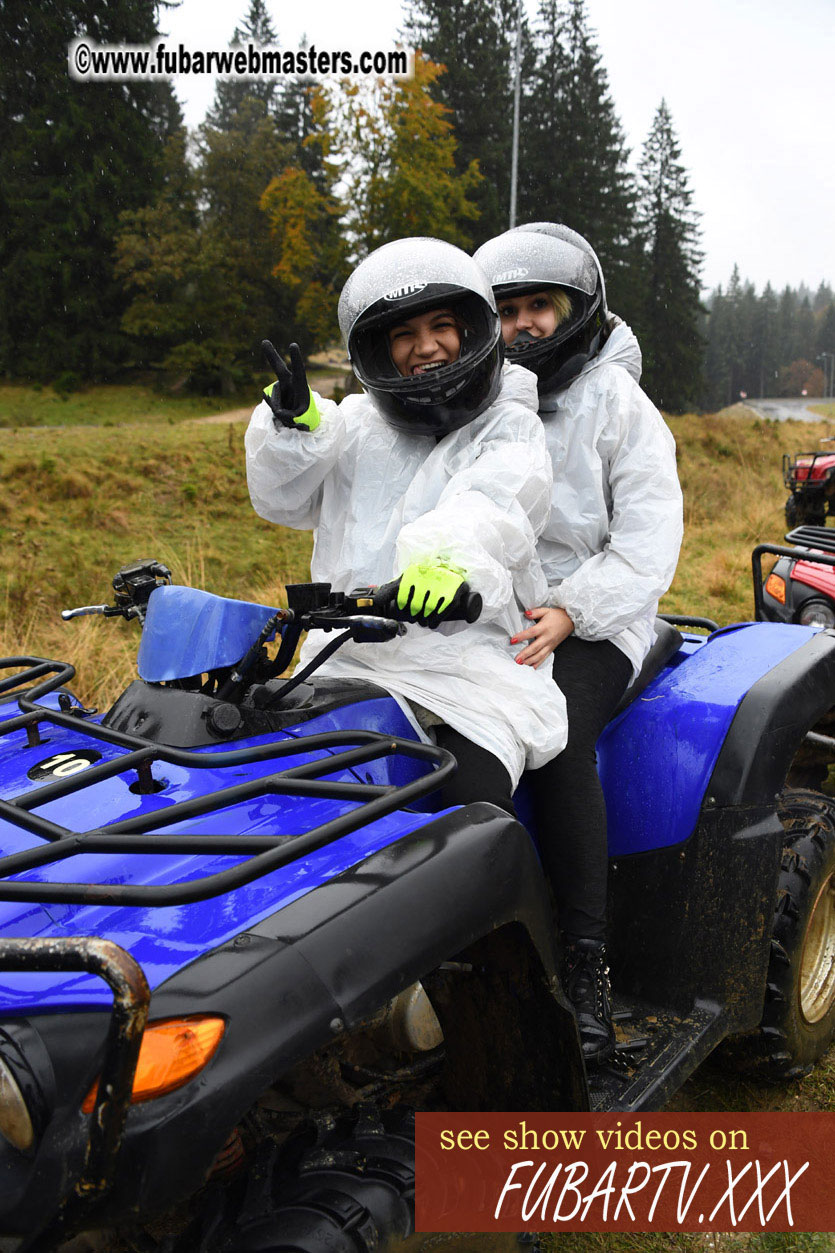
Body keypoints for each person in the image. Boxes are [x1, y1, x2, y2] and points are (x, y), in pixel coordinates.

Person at [246, 236, 567, 817]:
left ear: (471, 330)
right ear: (378, 349)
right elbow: (282, 500)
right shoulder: (355, 425)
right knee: (272, 789)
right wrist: (294, 429)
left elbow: (490, 504)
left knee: (471, 805)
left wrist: (446, 563)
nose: (426, 346)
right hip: (349, 658)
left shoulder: (510, 428)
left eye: (441, 326)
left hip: (469, 667)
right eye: (403, 334)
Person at [474, 222, 684, 1063]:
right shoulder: (479, 400)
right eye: (506, 310)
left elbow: (646, 544)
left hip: (602, 611)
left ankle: (586, 960)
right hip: (497, 609)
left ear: (576, 311)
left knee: (556, 736)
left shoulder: (620, 407)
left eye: (539, 305)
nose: (522, 324)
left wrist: (569, 608)